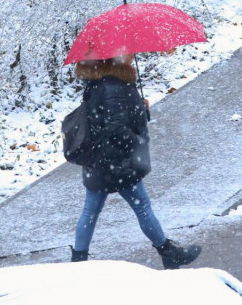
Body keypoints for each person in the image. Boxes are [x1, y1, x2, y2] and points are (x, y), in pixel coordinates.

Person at [70, 54, 202, 269]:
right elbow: (115, 128)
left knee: (91, 211)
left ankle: (78, 261)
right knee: (142, 207)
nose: (131, 54)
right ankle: (167, 252)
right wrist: (137, 142)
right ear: (113, 58)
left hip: (100, 160)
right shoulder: (113, 86)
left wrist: (140, 108)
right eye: (127, 52)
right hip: (117, 162)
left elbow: (108, 118)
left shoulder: (99, 83)